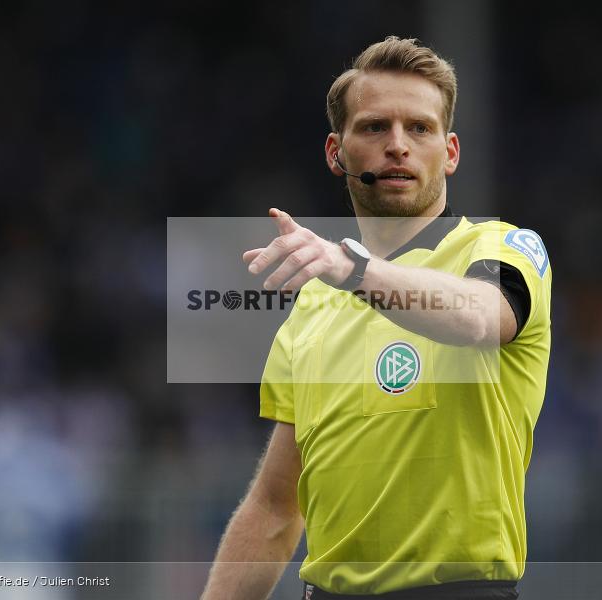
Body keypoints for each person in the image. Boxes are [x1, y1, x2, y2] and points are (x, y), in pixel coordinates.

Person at [201, 36, 551, 600]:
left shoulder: (502, 248)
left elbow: (483, 319)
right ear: (336, 153)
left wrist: (354, 271)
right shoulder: (314, 305)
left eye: (419, 128)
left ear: (451, 151)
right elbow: (274, 509)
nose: (397, 146)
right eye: (373, 128)